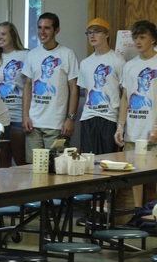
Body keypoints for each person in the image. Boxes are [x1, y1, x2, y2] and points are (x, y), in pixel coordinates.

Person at [22, 12, 79, 163]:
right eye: (39, 28)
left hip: (56, 125)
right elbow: (27, 85)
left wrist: (70, 118)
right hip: (33, 125)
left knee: (56, 168)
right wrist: (25, 116)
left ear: (56, 30)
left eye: (47, 28)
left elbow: (74, 89)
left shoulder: (67, 54)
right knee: (33, 167)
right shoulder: (32, 55)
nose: (42, 32)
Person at [115, 20, 157, 208]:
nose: (138, 41)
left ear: (153, 39)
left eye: (142, 37)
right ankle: (138, 212)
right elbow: (125, 97)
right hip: (134, 129)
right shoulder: (130, 66)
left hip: (153, 128)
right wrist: (120, 126)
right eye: (135, 38)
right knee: (135, 174)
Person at [78, 18, 124, 154]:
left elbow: (124, 94)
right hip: (88, 117)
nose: (92, 35)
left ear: (107, 34)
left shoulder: (118, 61)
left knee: (108, 161)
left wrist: (120, 125)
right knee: (88, 160)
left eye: (97, 32)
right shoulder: (85, 63)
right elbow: (87, 91)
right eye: (89, 32)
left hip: (109, 118)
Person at [0, 21, 29, 166]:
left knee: (21, 160)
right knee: (2, 160)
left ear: (12, 35)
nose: (0, 37)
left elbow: (30, 85)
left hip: (18, 115)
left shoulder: (25, 55)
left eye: (3, 34)